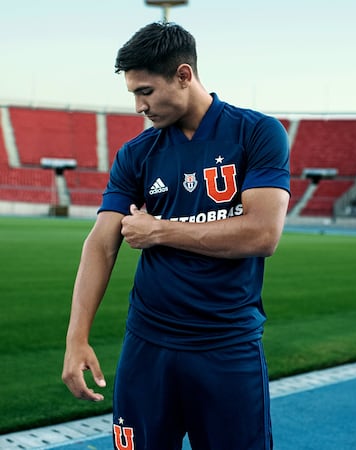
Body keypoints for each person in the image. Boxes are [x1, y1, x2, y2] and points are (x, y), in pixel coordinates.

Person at [62, 22, 290, 450]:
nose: (137, 106)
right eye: (133, 92)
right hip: (148, 346)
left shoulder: (257, 132)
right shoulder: (136, 153)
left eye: (145, 91)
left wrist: (160, 231)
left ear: (183, 75)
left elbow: (263, 234)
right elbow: (101, 242)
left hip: (228, 346)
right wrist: (77, 338)